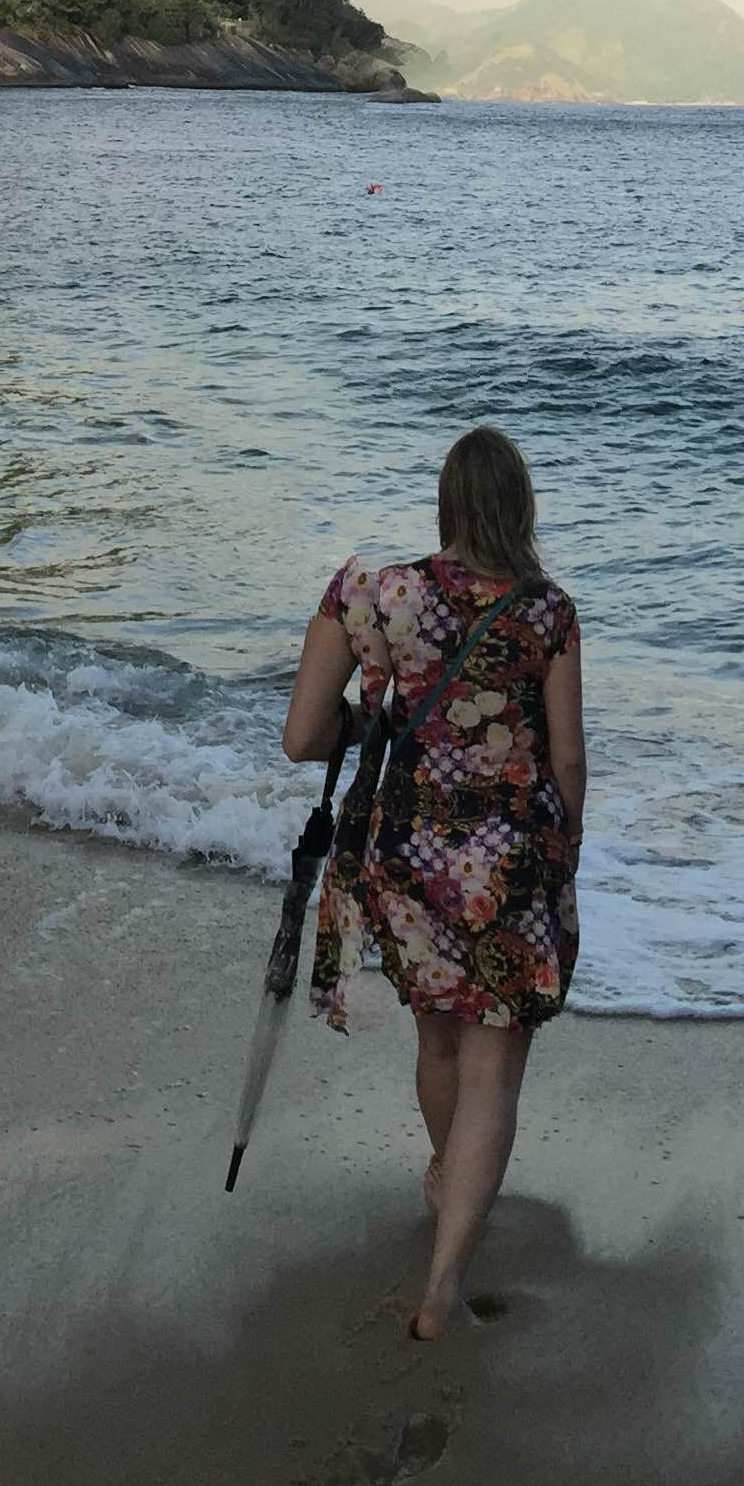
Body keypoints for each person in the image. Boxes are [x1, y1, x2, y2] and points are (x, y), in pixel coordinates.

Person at [278, 425, 588, 1342]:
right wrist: (564, 867)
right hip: (512, 865)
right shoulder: (549, 613)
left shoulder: (376, 594)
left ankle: (444, 1176)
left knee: (439, 1044)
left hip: (408, 856)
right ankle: (445, 1282)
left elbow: (302, 738)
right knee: (494, 1068)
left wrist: (382, 727)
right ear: (521, 510)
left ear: (447, 505)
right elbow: (567, 759)